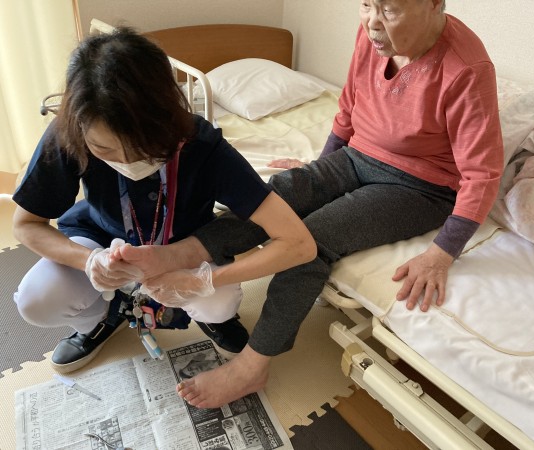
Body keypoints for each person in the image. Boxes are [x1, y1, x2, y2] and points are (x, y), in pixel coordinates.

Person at [119, 0, 504, 409]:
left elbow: (482, 174)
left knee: (309, 245)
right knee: (276, 197)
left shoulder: (466, 68)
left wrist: (441, 254)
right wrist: (320, 174)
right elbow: (349, 110)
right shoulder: (373, 37)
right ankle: (179, 254)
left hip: (420, 186)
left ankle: (252, 365)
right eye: (366, 5)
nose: (373, 23)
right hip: (356, 156)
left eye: (389, 10)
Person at [12, 27, 315, 393]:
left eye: (144, 149)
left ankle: (210, 317)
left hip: (183, 246)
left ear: (168, 118)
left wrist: (203, 280)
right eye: (104, 150)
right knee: (36, 300)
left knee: (219, 303)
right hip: (100, 238)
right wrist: (88, 261)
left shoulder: (203, 146)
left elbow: (299, 243)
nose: (127, 162)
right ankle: (100, 320)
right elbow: (26, 224)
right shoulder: (67, 133)